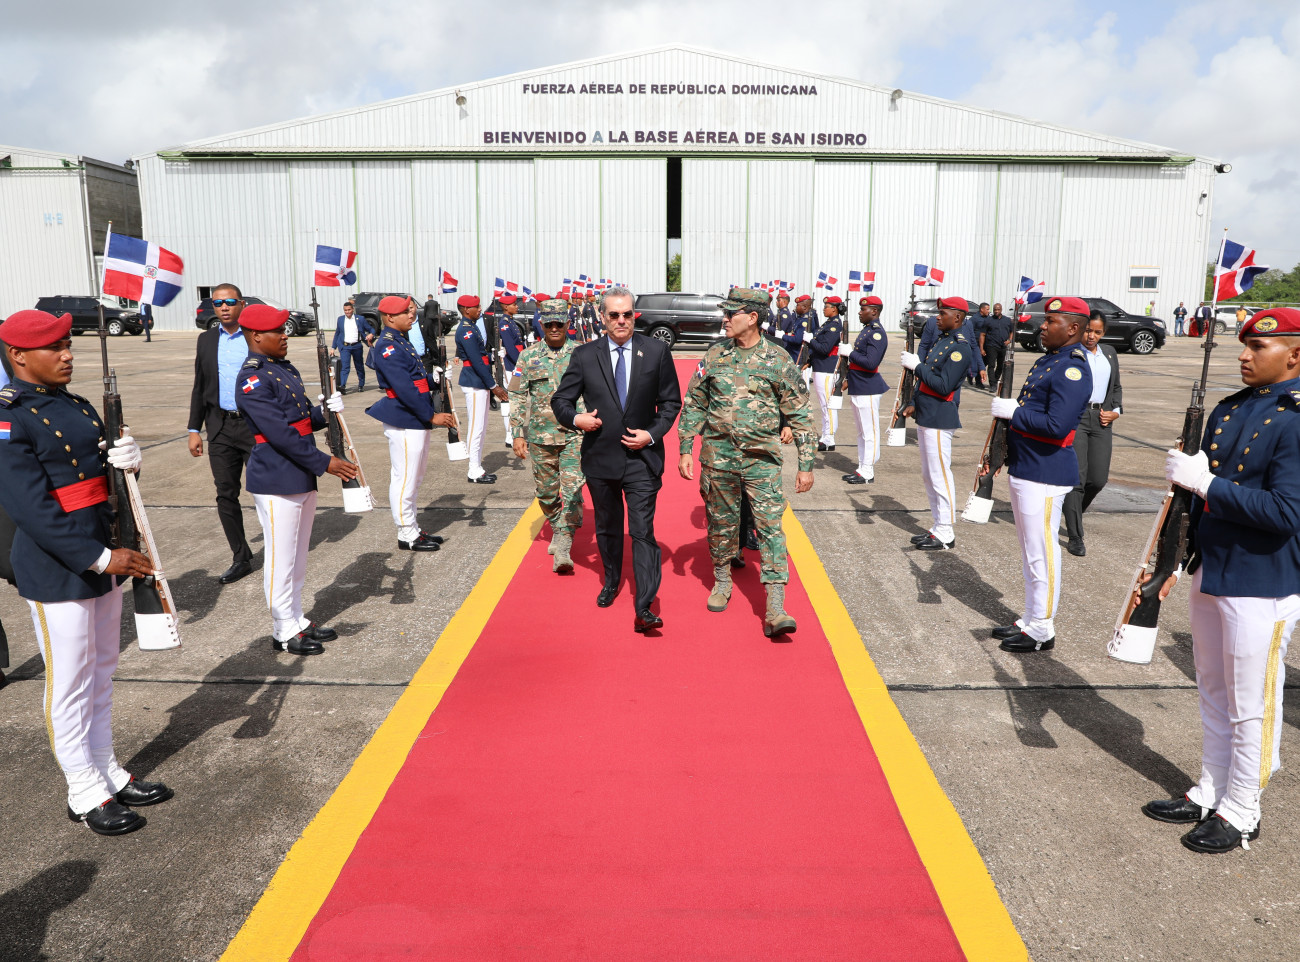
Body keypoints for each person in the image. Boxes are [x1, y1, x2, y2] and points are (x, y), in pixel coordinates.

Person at [0, 308, 173, 835]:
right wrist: (99, 558)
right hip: (60, 565)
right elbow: (31, 509)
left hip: (104, 550)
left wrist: (129, 461)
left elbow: (102, 480)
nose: (67, 354)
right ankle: (82, 789)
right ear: (18, 355)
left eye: (68, 345)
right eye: (53, 347)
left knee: (101, 671)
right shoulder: (9, 417)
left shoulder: (73, 403)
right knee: (70, 681)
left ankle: (107, 771)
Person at [1141, 307, 1300, 854]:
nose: (1244, 354)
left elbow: (1287, 512)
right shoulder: (1230, 408)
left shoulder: (1295, 419)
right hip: (1212, 565)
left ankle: (1243, 808)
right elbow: (1194, 502)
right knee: (1212, 685)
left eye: (1258, 346)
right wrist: (1173, 561)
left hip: (1262, 577)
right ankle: (1212, 788)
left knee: (1252, 699)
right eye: (1245, 344)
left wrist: (1206, 483)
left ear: (1294, 355)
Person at [678, 287, 815, 635]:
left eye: (731, 314)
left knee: (770, 529)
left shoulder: (778, 360)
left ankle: (776, 607)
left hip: (761, 461)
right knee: (721, 523)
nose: (724, 319)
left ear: (752, 318)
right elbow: (694, 401)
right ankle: (722, 580)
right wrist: (685, 447)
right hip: (718, 458)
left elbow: (800, 414)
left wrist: (806, 465)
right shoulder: (715, 355)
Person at [551, 286, 682, 632]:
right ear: (602, 317)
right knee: (608, 528)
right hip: (601, 458)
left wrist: (651, 434)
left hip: (643, 459)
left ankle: (644, 606)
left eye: (627, 314)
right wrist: (576, 419)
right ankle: (611, 580)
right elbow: (561, 401)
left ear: (634, 315)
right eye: (614, 315)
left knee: (642, 531)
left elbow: (671, 403)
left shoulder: (656, 351)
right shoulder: (584, 355)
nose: (621, 320)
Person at [234, 304, 357, 655]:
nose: (284, 335)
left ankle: (296, 617)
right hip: (277, 477)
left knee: (298, 556)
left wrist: (324, 411)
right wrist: (325, 463)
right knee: (281, 558)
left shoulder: (283, 368)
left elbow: (301, 421)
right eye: (277, 331)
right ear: (256, 336)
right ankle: (282, 628)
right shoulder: (252, 378)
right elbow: (279, 434)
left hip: (299, 473)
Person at [988, 296, 1092, 652]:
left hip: (1046, 471)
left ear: (1073, 328)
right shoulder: (1051, 360)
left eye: (1051, 321)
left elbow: (1056, 425)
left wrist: (1013, 412)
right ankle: (1032, 616)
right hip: (1027, 465)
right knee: (1029, 551)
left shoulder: (1072, 369)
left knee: (1042, 553)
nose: (1042, 327)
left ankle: (1042, 629)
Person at [366, 295, 456, 552]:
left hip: (413, 416)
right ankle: (406, 532)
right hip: (405, 417)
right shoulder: (388, 345)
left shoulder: (400, 340)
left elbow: (415, 380)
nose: (411, 315)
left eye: (411, 310)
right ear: (389, 317)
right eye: (405, 312)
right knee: (405, 478)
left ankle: (412, 527)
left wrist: (433, 379)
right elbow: (404, 388)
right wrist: (431, 416)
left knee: (414, 477)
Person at [509, 299, 586, 573]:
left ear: (568, 324)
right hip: (541, 437)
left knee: (573, 491)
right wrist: (517, 433)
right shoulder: (527, 357)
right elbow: (517, 395)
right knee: (546, 494)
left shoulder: (582, 353)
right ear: (541, 325)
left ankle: (564, 545)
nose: (554, 328)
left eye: (559, 324)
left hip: (575, 436)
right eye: (549, 324)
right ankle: (557, 525)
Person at [187, 283, 255, 585]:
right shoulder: (206, 339)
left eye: (229, 302)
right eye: (217, 303)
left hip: (254, 426)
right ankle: (240, 557)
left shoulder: (254, 336)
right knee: (226, 494)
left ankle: (279, 546)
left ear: (241, 304)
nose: (224, 307)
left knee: (265, 491)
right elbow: (199, 386)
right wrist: (194, 429)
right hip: (220, 427)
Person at [900, 296, 971, 550]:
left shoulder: (960, 348)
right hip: (927, 414)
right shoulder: (943, 341)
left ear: (958, 317)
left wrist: (917, 366)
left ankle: (946, 531)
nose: (937, 318)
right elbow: (927, 382)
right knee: (929, 475)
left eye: (943, 314)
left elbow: (943, 386)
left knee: (940, 475)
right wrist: (913, 402)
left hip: (940, 417)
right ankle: (938, 525)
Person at [1062, 312, 1123, 556]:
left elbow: (1116, 387)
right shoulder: (1071, 352)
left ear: (1103, 333)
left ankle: (1072, 511)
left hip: (1101, 419)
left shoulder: (1109, 353)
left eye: (1097, 332)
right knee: (1077, 477)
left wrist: (1116, 411)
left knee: (1097, 479)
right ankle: (1076, 535)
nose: (1091, 336)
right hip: (1076, 417)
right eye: (1088, 331)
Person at [454, 294, 509, 484]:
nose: (480, 310)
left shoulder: (472, 326)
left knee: (481, 427)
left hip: (479, 381)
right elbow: (476, 361)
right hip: (475, 381)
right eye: (476, 307)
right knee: (476, 428)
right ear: (466, 310)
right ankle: (473, 470)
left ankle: (477, 467)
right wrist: (493, 386)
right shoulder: (466, 330)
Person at [844, 295, 889, 484]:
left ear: (874, 311)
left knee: (870, 433)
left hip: (868, 386)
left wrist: (850, 353)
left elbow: (871, 363)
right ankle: (862, 467)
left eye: (864, 309)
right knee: (861, 432)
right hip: (859, 385)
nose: (860, 312)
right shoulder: (868, 330)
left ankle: (868, 470)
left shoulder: (877, 333)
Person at [807, 295, 845, 451]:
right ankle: (825, 436)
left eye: (826, 307)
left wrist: (810, 340)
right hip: (820, 367)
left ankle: (829, 438)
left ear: (834, 309)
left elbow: (824, 348)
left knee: (828, 405)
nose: (824, 309)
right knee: (824, 405)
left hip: (827, 369)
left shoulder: (834, 326)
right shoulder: (828, 323)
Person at [496, 294, 526, 446]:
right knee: (509, 401)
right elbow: (510, 347)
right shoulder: (504, 324)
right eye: (514, 304)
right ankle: (509, 436)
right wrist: (521, 363)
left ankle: (514, 432)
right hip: (511, 366)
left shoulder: (511, 321)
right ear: (506, 307)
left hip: (516, 363)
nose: (517, 306)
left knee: (516, 401)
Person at [331, 299, 374, 394]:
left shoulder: (360, 319)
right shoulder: (340, 319)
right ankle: (342, 386)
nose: (347, 312)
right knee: (345, 367)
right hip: (345, 347)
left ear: (353, 309)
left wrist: (371, 334)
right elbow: (337, 333)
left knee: (359, 366)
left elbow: (371, 329)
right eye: (345, 310)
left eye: (349, 310)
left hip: (357, 346)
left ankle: (361, 385)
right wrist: (333, 347)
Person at [979, 302, 1015, 393]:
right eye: (995, 309)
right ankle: (992, 385)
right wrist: (981, 348)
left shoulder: (1007, 320)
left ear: (1001, 310)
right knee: (991, 365)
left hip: (1003, 346)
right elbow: (982, 334)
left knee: (1000, 365)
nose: (996, 311)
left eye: (998, 309)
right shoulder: (988, 321)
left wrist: (1009, 340)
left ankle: (995, 380)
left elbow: (1012, 331)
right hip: (991, 346)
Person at [782, 294, 818, 379]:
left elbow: (798, 339)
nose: (796, 307)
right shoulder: (800, 319)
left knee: (801, 383)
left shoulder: (805, 321)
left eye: (798, 305)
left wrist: (782, 336)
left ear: (804, 307)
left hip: (800, 357)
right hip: (794, 356)